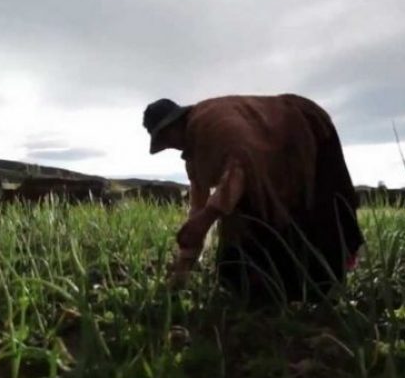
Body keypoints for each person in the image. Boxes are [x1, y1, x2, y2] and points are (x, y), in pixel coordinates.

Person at [142, 94, 364, 302]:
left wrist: (208, 216)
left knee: (311, 214)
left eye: (165, 138)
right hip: (268, 164)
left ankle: (318, 293)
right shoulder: (194, 154)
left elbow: (242, 166)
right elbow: (198, 207)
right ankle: (271, 291)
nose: (169, 146)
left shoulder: (213, 123)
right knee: (236, 265)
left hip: (304, 131)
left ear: (175, 125)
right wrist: (186, 259)